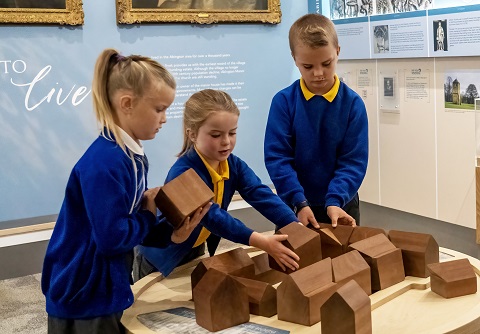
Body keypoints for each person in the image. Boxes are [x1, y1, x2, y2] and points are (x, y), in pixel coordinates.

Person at [41, 48, 210, 334]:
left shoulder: (130, 155)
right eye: (159, 109)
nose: (165, 118)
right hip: (84, 291)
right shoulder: (105, 164)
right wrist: (148, 214)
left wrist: (169, 234)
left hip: (106, 283)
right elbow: (111, 237)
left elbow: (126, 220)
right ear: (127, 103)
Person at [134, 89, 301, 280]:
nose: (226, 142)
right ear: (192, 134)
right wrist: (260, 241)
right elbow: (212, 216)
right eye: (216, 135)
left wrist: (293, 223)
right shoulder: (182, 173)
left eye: (232, 133)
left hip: (194, 248)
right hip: (160, 258)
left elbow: (259, 193)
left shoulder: (233, 164)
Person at [264, 13, 368, 229]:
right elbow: (278, 158)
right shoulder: (283, 102)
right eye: (308, 67)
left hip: (341, 206)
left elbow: (353, 161)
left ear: (337, 52)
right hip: (295, 207)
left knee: (347, 262)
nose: (318, 73)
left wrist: (335, 199)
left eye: (326, 63)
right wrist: (298, 201)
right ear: (295, 59)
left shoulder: (353, 105)